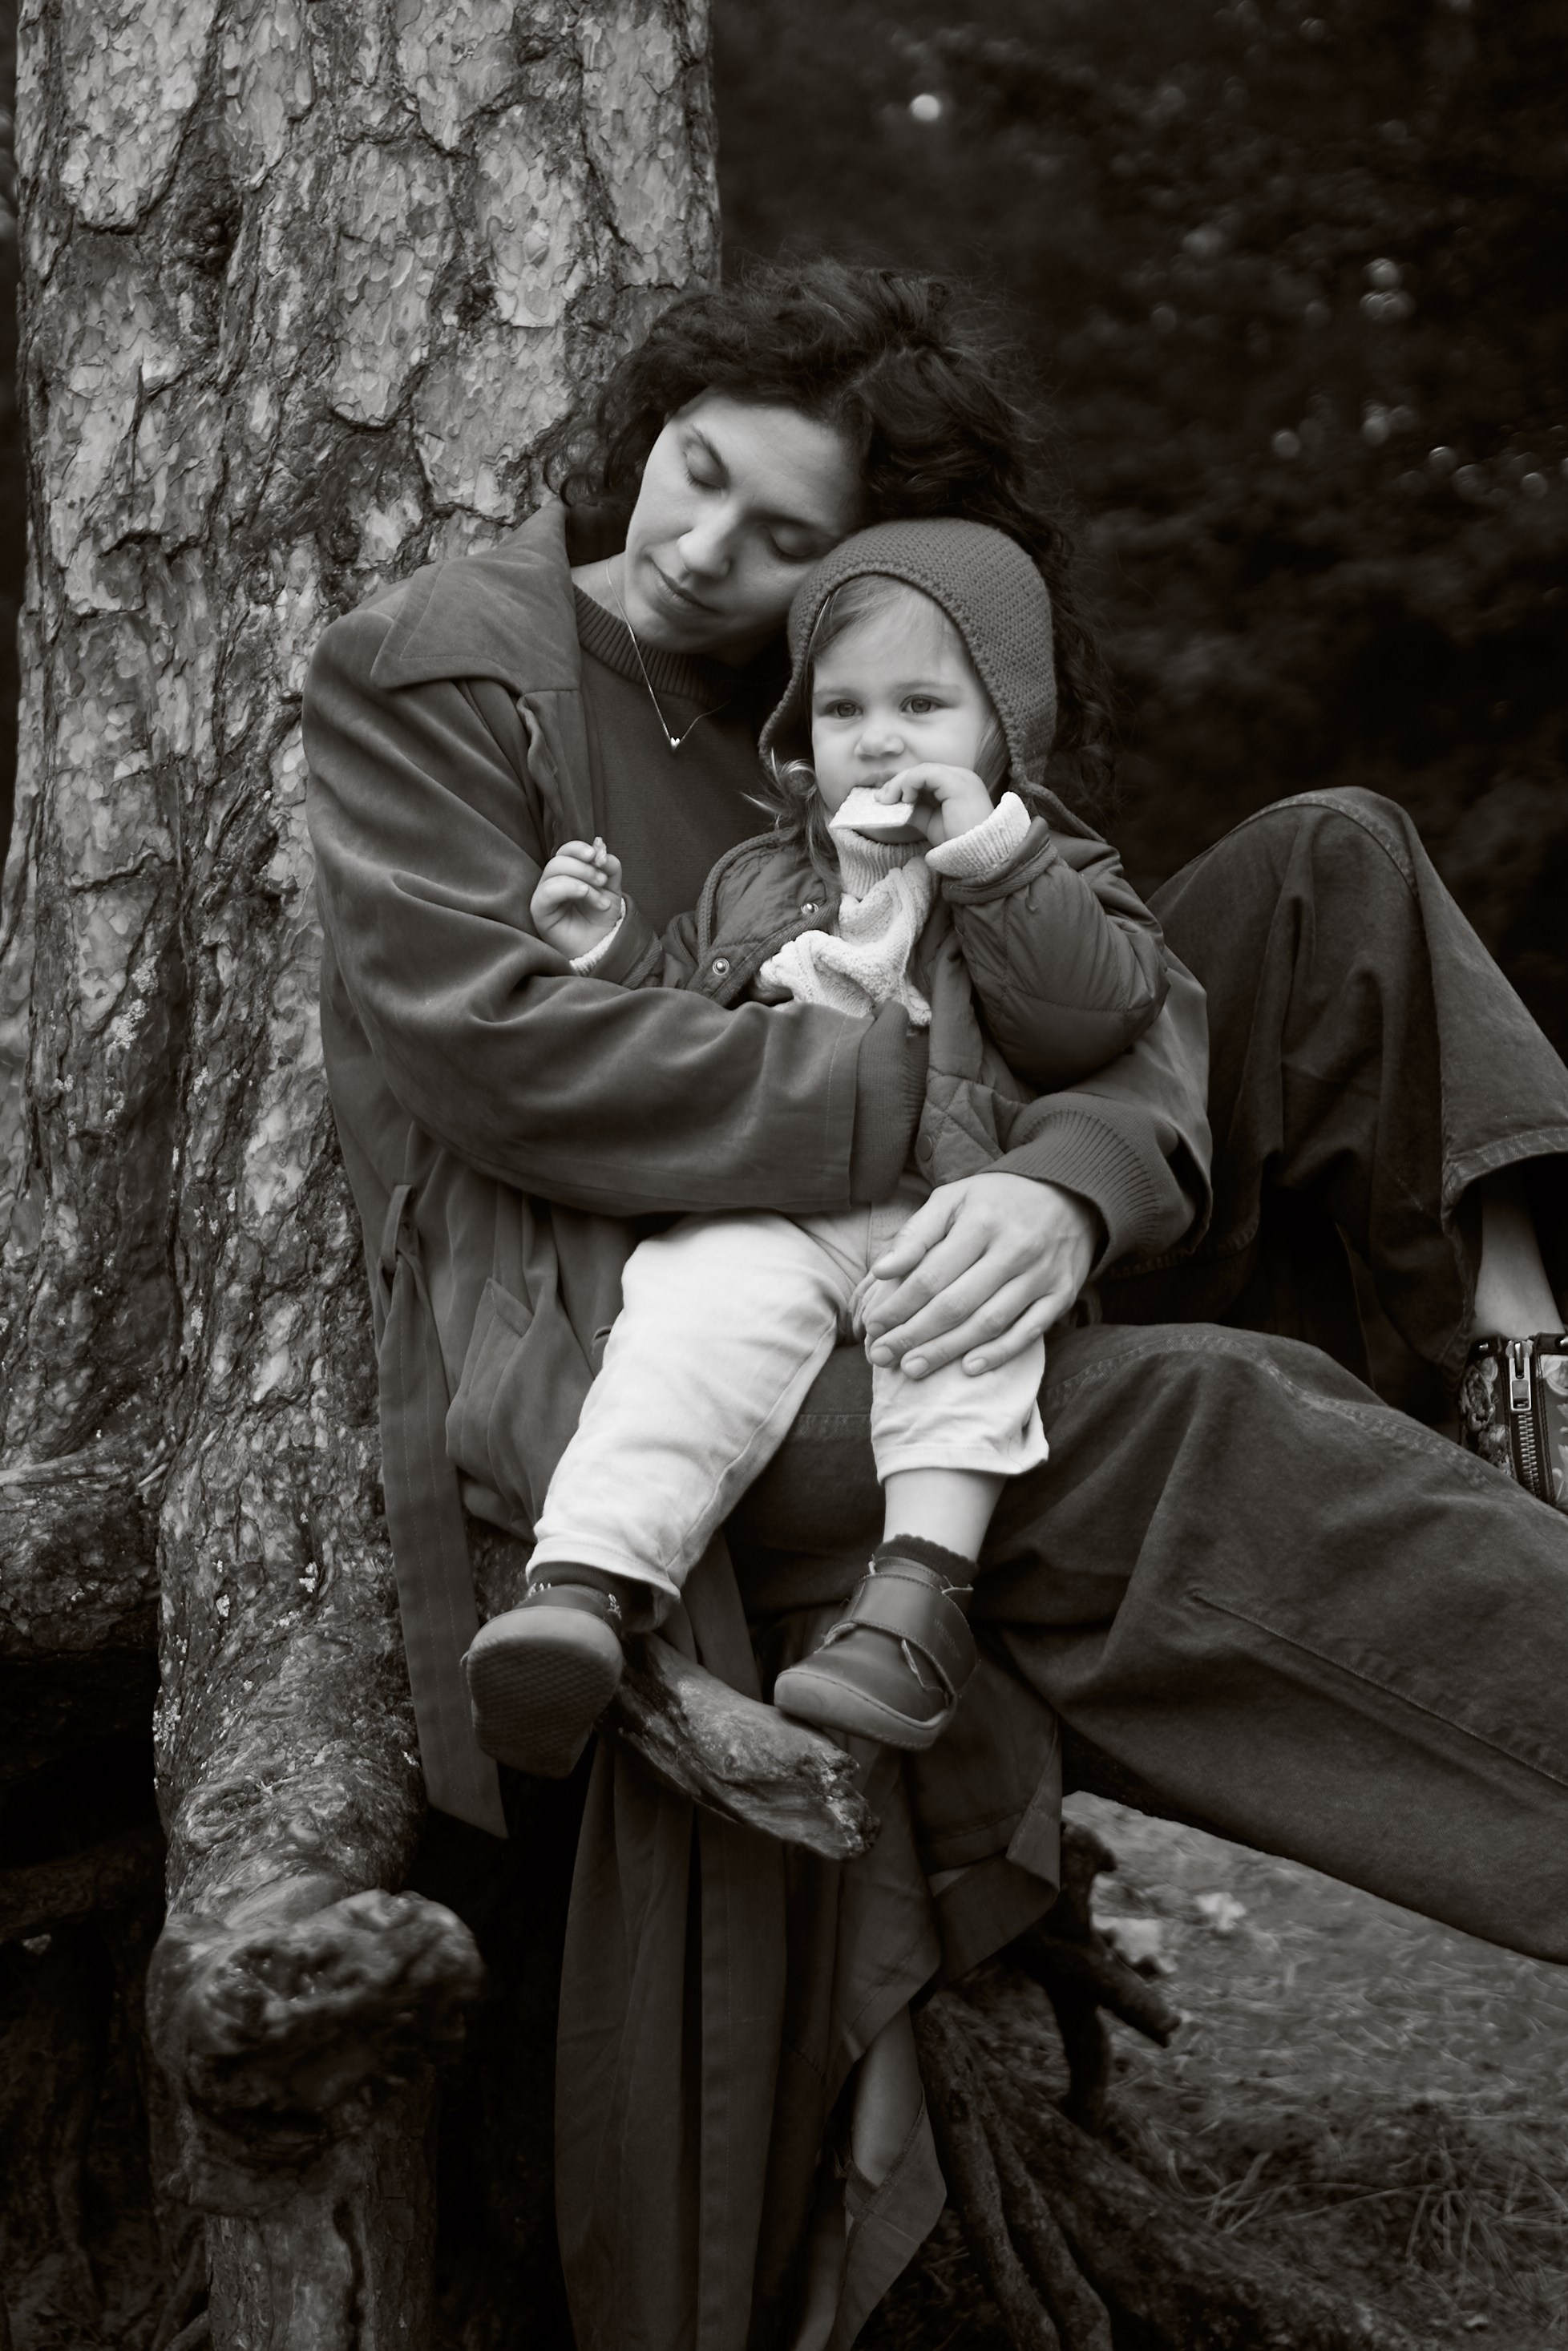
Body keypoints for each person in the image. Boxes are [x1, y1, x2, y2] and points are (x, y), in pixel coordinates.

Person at [303, 257, 1568, 2351]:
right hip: (653, 1324)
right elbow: (507, 1057)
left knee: (1325, 869)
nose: (732, 563)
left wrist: (1061, 1194)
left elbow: (1132, 1012)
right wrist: (917, 1115)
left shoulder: (869, 700)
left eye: (828, 550)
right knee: (1193, 1432)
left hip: (935, 1237)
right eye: (723, 497)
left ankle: (1520, 1339)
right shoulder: (457, 659)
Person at [464, 517, 1190, 1774]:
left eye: (923, 701)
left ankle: (913, 1614)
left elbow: (1089, 1014)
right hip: (779, 1197)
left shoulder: (1051, 861)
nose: (881, 735)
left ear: (1002, 727)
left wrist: (990, 860)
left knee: (962, 1341)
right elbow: (685, 1029)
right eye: (844, 708)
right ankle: (581, 1587)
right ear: (802, 738)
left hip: (950, 1197)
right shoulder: (757, 876)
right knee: (682, 1318)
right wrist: (606, 950)